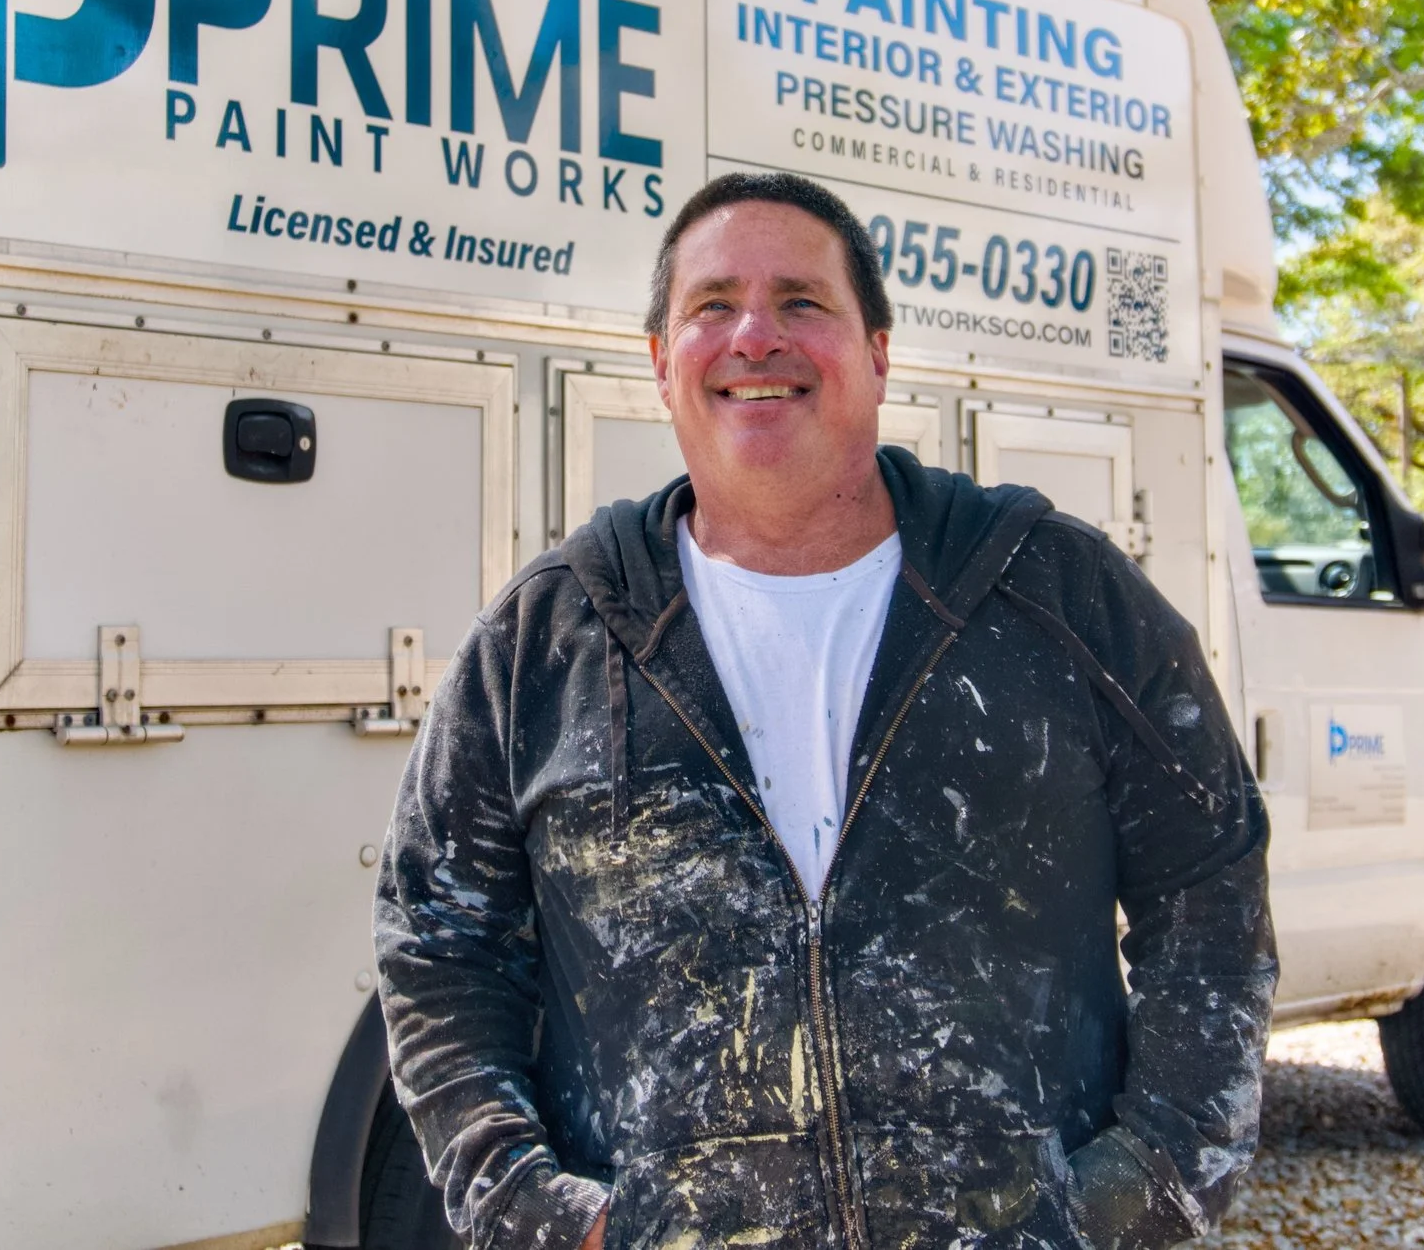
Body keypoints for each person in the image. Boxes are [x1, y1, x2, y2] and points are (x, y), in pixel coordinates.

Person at [374, 171, 1275, 1250]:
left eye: (802, 300)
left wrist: (1144, 1185)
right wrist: (539, 1212)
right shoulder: (547, 641)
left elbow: (1210, 885)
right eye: (712, 305)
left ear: (878, 353)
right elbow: (437, 943)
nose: (756, 334)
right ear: (662, 363)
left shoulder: (1056, 594)